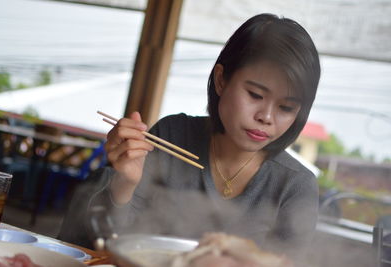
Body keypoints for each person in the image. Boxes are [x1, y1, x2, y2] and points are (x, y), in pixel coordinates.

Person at [59, 13, 321, 262]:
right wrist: (125, 182)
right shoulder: (172, 136)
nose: (266, 117)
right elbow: (99, 244)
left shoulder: (295, 186)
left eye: (286, 108)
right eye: (255, 94)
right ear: (221, 80)